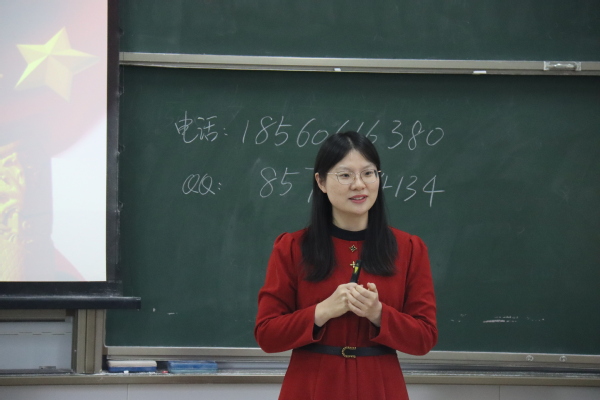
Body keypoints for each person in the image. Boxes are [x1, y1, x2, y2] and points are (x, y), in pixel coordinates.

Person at [255, 131, 437, 400]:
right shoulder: (292, 247)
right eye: (345, 175)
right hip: (311, 386)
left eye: (368, 173)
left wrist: (378, 313)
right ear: (321, 181)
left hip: (381, 387)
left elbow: (425, 338)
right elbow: (267, 335)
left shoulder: (409, 248)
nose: (359, 184)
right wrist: (322, 311)